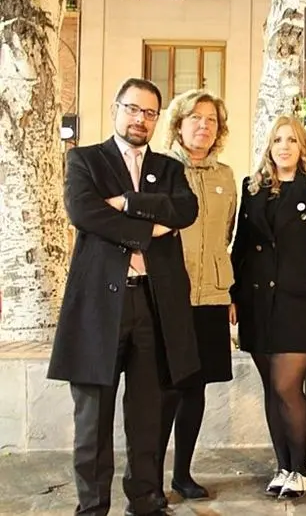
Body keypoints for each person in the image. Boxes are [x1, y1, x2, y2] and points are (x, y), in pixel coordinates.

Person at [47, 77, 199, 516]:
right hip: (99, 307)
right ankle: (93, 506)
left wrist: (127, 203)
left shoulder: (169, 168)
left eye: (150, 112)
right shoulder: (85, 160)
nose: (140, 119)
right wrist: (151, 229)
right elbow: (84, 212)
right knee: (92, 418)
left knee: (148, 414)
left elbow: (185, 210)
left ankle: (146, 500)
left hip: (154, 303)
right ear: (116, 108)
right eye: (133, 109)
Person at [230, 115, 306, 498]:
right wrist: (233, 294)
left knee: (287, 386)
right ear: (269, 146)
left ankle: (300, 469)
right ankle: (282, 467)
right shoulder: (253, 187)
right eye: (278, 140)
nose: (284, 147)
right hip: (258, 300)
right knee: (271, 389)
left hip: (302, 300)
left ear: (302, 146)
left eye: (292, 140)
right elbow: (241, 245)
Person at [156, 89, 236, 501]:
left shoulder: (226, 176)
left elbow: (227, 234)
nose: (204, 126)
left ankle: (182, 474)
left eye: (211, 120)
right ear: (178, 124)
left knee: (196, 388)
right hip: (171, 296)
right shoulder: (161, 170)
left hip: (212, 297)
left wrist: (229, 290)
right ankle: (149, 477)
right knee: (166, 388)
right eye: (195, 118)